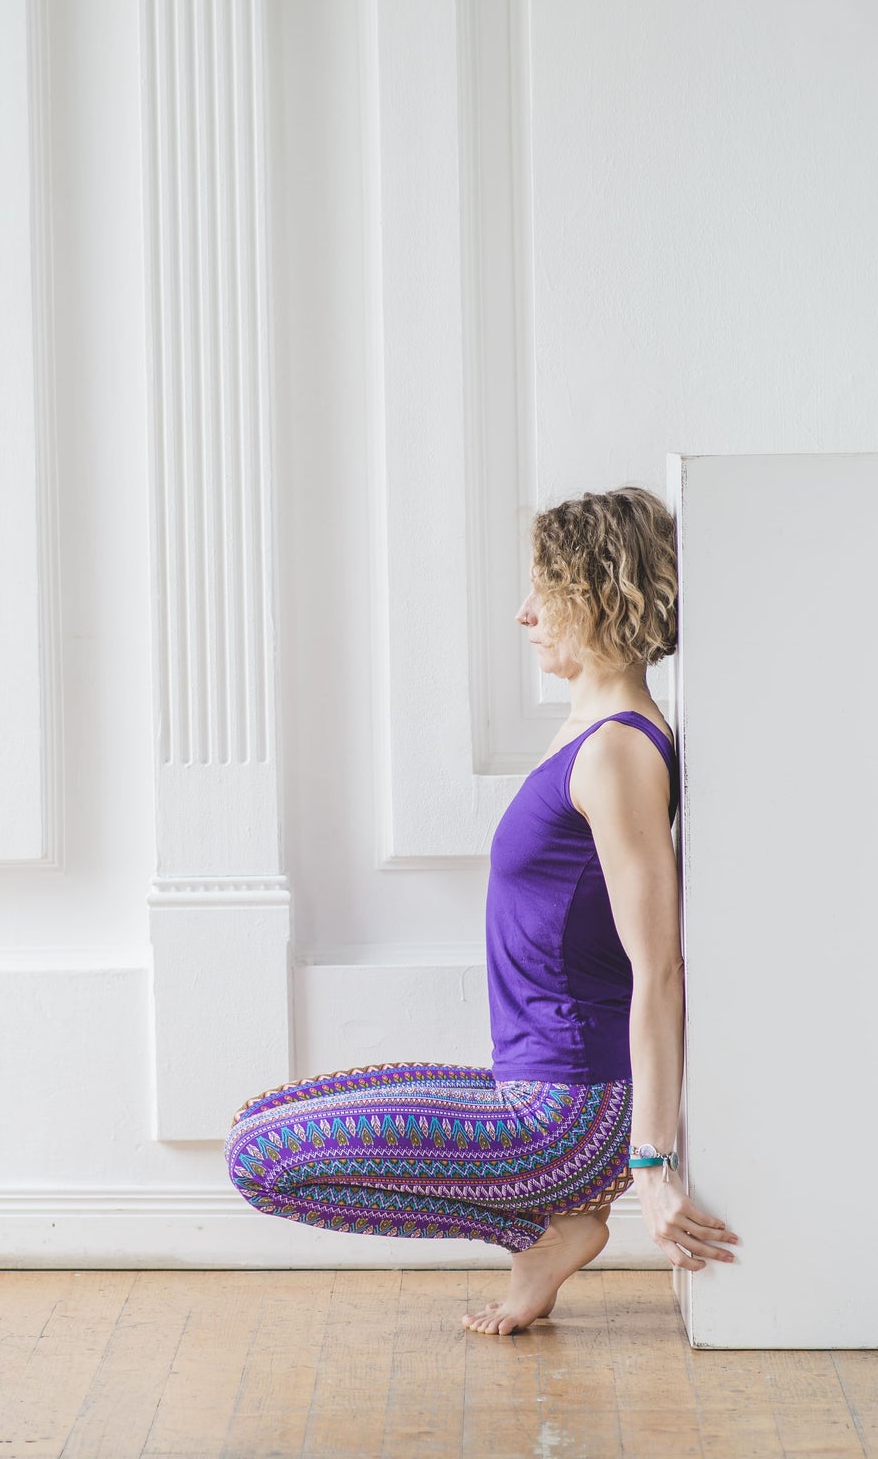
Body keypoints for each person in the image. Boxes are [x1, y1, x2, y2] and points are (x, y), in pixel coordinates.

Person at [223, 485, 741, 1334]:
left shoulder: (617, 753)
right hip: (539, 1087)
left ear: (597, 596)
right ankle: (549, 1230)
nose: (524, 613)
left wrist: (651, 1163)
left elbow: (661, 966)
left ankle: (554, 1218)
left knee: (261, 1158)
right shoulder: (589, 734)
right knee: (254, 1128)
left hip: (568, 1111)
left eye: (545, 590)